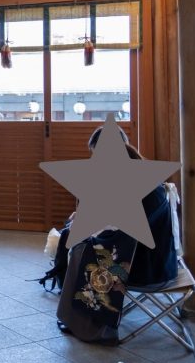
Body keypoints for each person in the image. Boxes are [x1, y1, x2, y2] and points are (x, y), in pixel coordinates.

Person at [53, 125, 178, 343]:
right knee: (81, 242)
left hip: (146, 268)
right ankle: (76, 316)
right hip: (157, 260)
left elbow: (121, 229)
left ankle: (94, 327)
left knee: (82, 250)